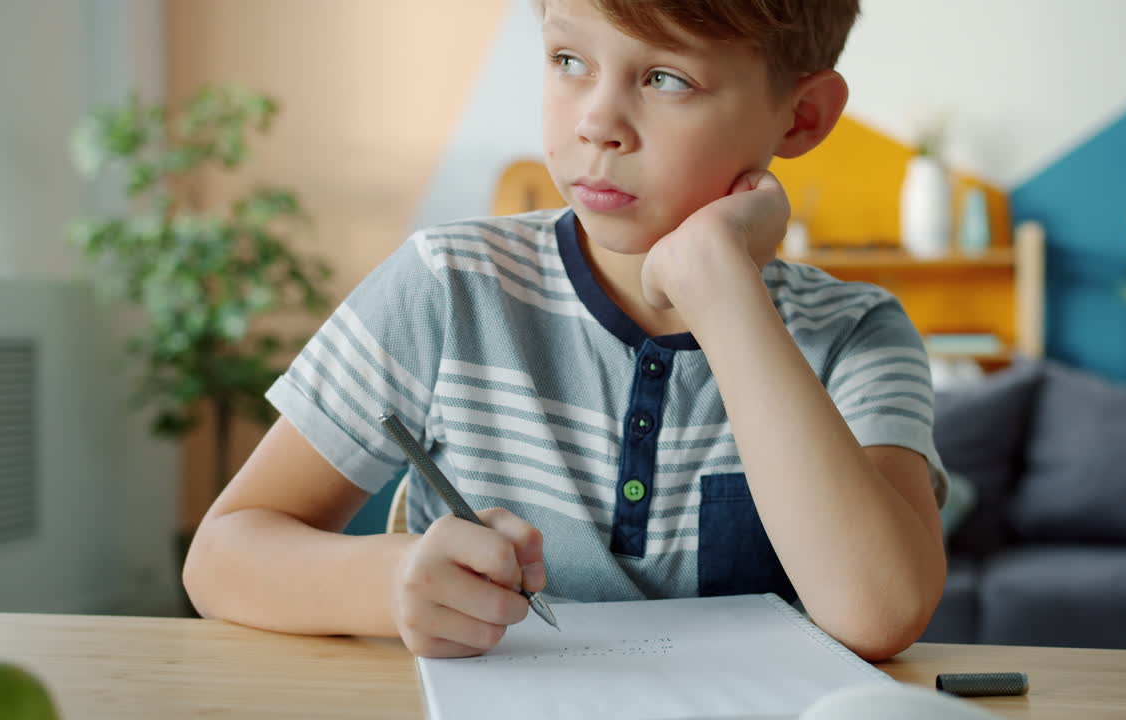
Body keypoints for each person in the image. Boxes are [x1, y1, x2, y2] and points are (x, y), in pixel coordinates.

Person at [183, 0, 949, 663]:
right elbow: (221, 557)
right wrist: (390, 582)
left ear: (803, 115)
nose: (595, 122)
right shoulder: (449, 284)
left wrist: (720, 285)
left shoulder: (857, 333)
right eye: (568, 59)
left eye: (665, 78)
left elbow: (878, 613)